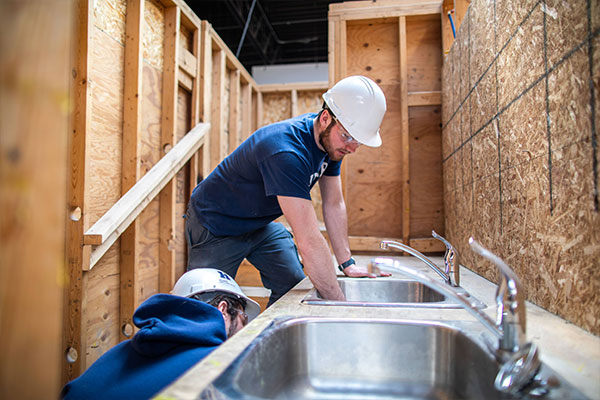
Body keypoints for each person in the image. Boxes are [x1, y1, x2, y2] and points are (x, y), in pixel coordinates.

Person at [185, 75, 390, 306]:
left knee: (293, 285)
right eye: (348, 137)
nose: (352, 148)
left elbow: (334, 203)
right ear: (325, 118)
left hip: (257, 223)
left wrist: (347, 263)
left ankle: (272, 338)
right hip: (216, 225)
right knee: (207, 308)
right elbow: (309, 241)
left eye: (358, 141)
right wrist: (341, 307)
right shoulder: (285, 152)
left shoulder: (332, 144)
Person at [61, 269, 260, 400]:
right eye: (244, 317)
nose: (245, 327)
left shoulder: (120, 351)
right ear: (223, 310)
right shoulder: (217, 366)